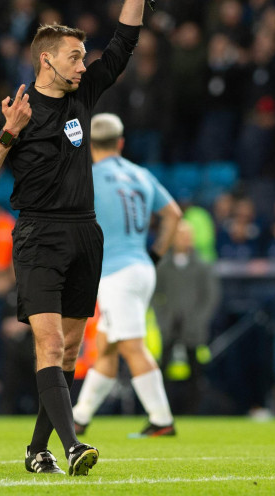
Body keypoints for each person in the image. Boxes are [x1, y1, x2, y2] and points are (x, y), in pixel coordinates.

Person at [0, 0, 150, 476]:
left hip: (84, 233)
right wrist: (7, 134)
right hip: (39, 234)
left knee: (69, 352)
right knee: (48, 345)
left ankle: (36, 449)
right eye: (75, 56)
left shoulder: (83, 98)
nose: (83, 63)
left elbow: (125, 43)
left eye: (83, 55)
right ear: (47, 61)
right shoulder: (16, 111)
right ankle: (74, 449)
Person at [71, 113, 182, 437]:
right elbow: (173, 215)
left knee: (132, 347)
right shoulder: (140, 174)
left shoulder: (88, 177)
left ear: (90, 145)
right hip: (142, 268)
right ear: (120, 143)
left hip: (116, 275)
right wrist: (156, 254)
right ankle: (80, 417)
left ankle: (162, 420)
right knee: (106, 347)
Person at [151, 220, 220, 415]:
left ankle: (193, 411)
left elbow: (210, 296)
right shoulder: (164, 266)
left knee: (196, 373)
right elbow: (155, 294)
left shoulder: (202, 266)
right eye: (181, 235)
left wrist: (198, 318)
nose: (185, 239)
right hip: (169, 325)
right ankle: (161, 412)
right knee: (162, 371)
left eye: (188, 235)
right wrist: (163, 316)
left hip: (193, 327)